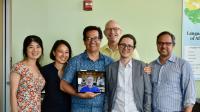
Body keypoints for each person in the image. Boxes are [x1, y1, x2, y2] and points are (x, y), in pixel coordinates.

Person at [60, 26, 113, 112]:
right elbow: (63, 85)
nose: (92, 42)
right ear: (84, 41)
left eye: (95, 38)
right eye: (89, 38)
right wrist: (79, 94)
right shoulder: (75, 61)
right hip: (79, 109)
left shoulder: (109, 62)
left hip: (102, 109)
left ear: (100, 40)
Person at [151, 31, 196, 112]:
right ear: (157, 45)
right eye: (160, 43)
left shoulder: (183, 65)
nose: (163, 46)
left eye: (168, 43)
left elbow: (189, 97)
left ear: (173, 45)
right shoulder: (151, 66)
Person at [105, 34, 152, 112]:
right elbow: (107, 94)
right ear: (118, 46)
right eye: (123, 45)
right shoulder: (110, 68)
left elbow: (147, 93)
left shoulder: (142, 66)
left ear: (133, 49)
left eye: (129, 46)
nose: (126, 48)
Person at [10, 35, 45, 112]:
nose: (35, 50)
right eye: (31, 47)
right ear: (25, 49)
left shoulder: (39, 68)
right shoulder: (18, 67)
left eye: (38, 46)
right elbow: (13, 93)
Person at [41, 40, 72, 112]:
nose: (64, 55)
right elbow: (36, 91)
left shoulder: (72, 69)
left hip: (69, 109)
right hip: (49, 109)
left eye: (66, 52)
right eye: (60, 51)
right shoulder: (45, 70)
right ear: (54, 53)